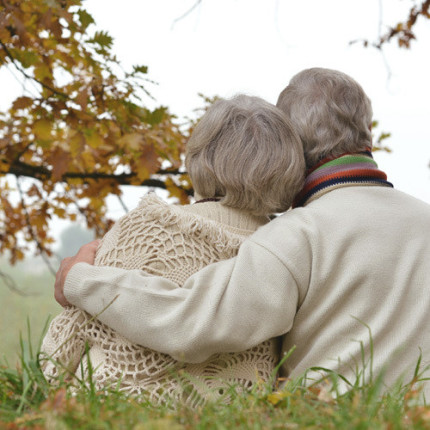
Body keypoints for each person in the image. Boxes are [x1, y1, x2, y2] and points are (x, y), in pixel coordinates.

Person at [54, 67, 430, 397]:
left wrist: (80, 280)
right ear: (366, 131)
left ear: (294, 150)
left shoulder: (298, 235)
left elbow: (193, 324)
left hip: (327, 419)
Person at [41, 94, 305, 406]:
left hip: (107, 411)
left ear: (199, 156)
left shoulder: (146, 228)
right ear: (289, 170)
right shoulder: (286, 251)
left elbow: (59, 357)